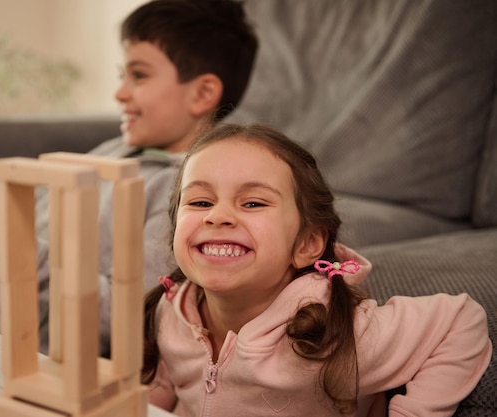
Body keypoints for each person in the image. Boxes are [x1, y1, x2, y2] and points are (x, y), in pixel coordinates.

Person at [0, 0, 258, 356]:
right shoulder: (118, 149)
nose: (119, 93)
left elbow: (128, 316)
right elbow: (34, 201)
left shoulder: (182, 197)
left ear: (202, 93)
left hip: (5, 340)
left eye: (138, 76)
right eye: (122, 75)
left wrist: (8, 242)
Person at [142, 123, 492, 416]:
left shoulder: (335, 334)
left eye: (252, 203)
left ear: (307, 244)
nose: (216, 215)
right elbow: (162, 389)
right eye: (200, 201)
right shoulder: (171, 313)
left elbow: (460, 319)